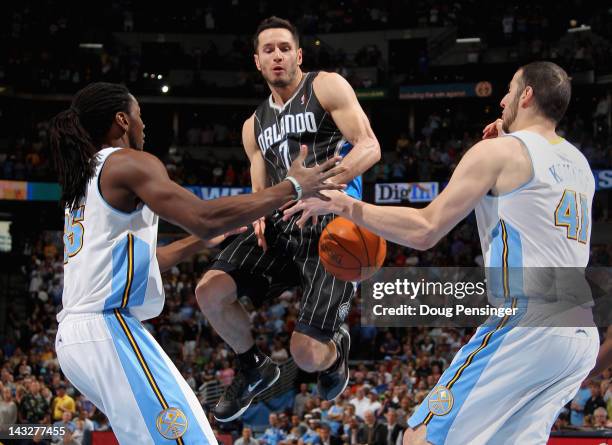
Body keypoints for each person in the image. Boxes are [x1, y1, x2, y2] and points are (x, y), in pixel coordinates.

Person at [284, 61, 600, 444]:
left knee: (420, 437)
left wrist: (346, 206)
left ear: (527, 95)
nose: (501, 101)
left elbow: (425, 230)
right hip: (580, 332)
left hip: (527, 321)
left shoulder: (499, 153)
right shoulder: (580, 165)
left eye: (509, 91)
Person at [50, 82, 343, 444]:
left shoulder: (85, 179)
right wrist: (292, 186)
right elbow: (203, 216)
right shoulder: (126, 162)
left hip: (75, 341)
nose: (145, 125)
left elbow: (140, 262)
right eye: (140, 116)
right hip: (105, 332)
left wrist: (196, 244)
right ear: (122, 120)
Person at [196, 16, 380, 422]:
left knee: (305, 354)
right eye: (268, 50)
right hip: (283, 226)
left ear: (298, 55)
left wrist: (333, 186)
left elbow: (369, 146)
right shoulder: (253, 125)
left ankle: (334, 357)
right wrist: (257, 214)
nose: (277, 56)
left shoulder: (325, 85)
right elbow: (261, 191)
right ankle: (251, 366)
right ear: (257, 62)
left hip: (332, 226)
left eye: (284, 48)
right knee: (209, 291)